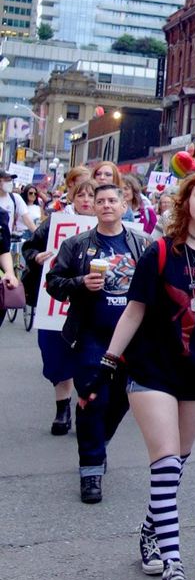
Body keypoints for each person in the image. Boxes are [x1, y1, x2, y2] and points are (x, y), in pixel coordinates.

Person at [89, 170, 195, 580]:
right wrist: (108, 361)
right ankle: (173, 571)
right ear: (186, 202)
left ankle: (152, 530)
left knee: (177, 466)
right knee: (166, 462)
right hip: (151, 371)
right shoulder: (158, 253)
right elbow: (134, 313)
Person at [46, 182, 149, 503]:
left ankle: (97, 443)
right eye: (100, 201)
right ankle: (90, 469)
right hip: (90, 335)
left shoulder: (142, 244)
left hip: (132, 338)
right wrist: (80, 282)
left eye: (111, 201)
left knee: (120, 399)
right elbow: (53, 283)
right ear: (93, 207)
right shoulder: (77, 245)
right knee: (92, 396)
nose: (105, 205)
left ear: (123, 205)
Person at [22, 174, 95, 434]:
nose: (86, 200)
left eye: (91, 195)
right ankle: (62, 407)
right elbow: (29, 248)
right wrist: (36, 257)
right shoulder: (56, 221)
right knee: (55, 354)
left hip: (90, 306)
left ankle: (84, 407)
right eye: (81, 195)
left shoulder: (110, 226)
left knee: (88, 357)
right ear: (73, 197)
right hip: (55, 303)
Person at [0, 168, 35, 237]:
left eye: (11, 180)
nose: (10, 183)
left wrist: (40, 235)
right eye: (7, 180)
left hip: (5, 243)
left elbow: (28, 221)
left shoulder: (15, 198)